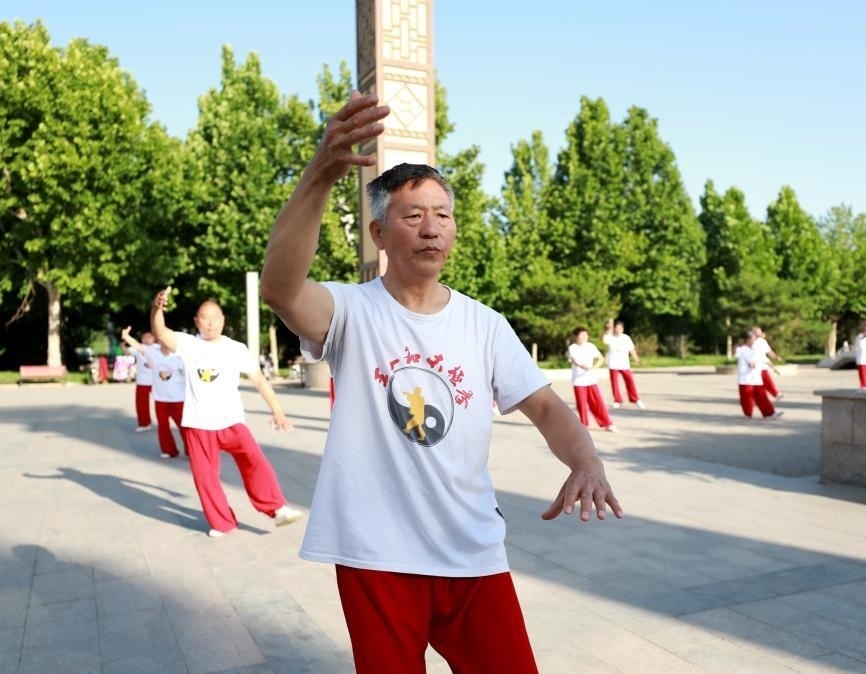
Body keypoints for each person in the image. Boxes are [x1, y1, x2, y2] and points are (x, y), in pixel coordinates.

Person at [259, 92, 622, 674]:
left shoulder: (485, 324)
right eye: (413, 216)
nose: (431, 229)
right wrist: (320, 174)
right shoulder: (350, 311)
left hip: (471, 551)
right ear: (379, 233)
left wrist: (586, 460)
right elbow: (279, 289)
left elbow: (547, 408)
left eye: (442, 215)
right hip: (376, 555)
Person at [149, 289, 303, 537]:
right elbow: (160, 332)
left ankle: (277, 508)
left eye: (215, 318)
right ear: (197, 321)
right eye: (205, 318)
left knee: (255, 461)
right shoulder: (188, 344)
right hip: (198, 424)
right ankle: (222, 522)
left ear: (223, 320)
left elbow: (259, 379)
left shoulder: (236, 348)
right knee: (205, 478)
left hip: (231, 421)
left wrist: (278, 411)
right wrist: (157, 308)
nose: (210, 323)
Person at [568, 327, 618, 432]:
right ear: (576, 336)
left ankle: (607, 424)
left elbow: (601, 358)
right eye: (582, 335)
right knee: (582, 404)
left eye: (585, 335)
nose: (584, 337)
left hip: (591, 380)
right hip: (579, 381)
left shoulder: (590, 346)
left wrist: (594, 367)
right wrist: (582, 366)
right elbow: (574, 360)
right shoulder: (573, 347)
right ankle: (584, 425)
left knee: (598, 403)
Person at [149, 340, 187, 458]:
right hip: (160, 398)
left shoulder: (179, 357)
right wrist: (126, 336)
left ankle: (191, 450)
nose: (165, 344)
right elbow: (139, 347)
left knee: (184, 426)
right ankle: (169, 450)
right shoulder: (153, 353)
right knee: (163, 426)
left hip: (178, 398)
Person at [735, 331, 781, 419]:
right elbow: (750, 362)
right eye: (752, 339)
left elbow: (764, 359)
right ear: (748, 339)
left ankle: (769, 413)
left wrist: (773, 368)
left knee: (762, 396)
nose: (754, 341)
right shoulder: (742, 349)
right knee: (746, 398)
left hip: (756, 378)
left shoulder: (755, 349)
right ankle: (748, 414)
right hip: (746, 379)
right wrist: (752, 364)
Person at [601, 319, 645, 410]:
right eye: (617, 328)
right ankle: (617, 400)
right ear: (614, 328)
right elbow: (603, 339)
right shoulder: (610, 337)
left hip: (624, 364)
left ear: (623, 329)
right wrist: (607, 328)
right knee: (615, 383)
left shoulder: (626, 338)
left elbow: (632, 350)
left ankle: (635, 399)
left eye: (620, 328)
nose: (618, 329)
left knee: (630, 381)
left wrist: (637, 359)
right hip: (613, 364)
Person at [751, 326, 783, 401]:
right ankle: (756, 397)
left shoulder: (763, 341)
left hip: (763, 364)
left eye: (759, 331)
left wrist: (776, 357)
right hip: (755, 367)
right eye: (756, 332)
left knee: (767, 380)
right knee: (757, 384)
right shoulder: (751, 342)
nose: (759, 333)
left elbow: (769, 351)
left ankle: (776, 393)